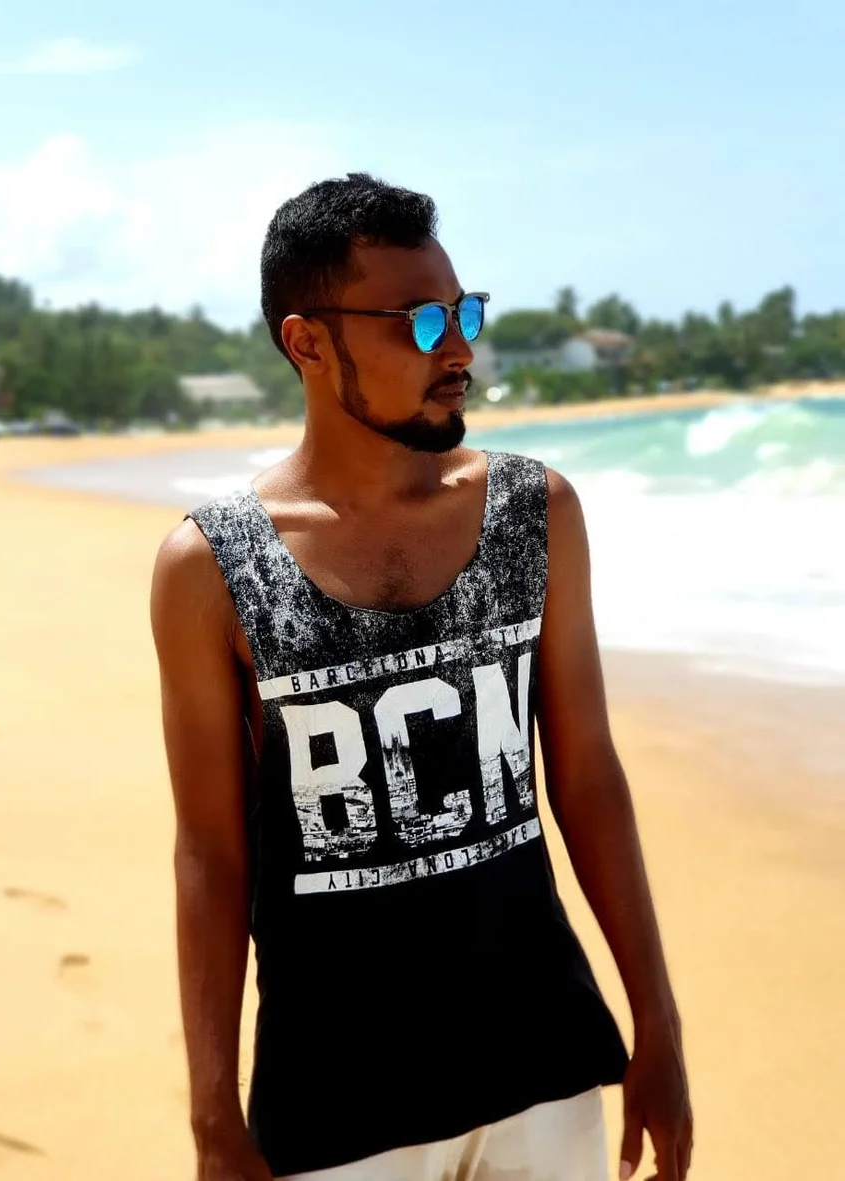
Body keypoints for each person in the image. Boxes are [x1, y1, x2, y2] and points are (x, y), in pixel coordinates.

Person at [150, 172, 692, 1181]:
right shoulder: (214, 567)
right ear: (308, 342)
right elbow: (211, 853)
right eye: (422, 320)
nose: (459, 350)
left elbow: (587, 777)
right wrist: (212, 1113)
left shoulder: (533, 511)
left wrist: (656, 1020)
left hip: (544, 1071)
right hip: (336, 1107)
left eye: (464, 311)